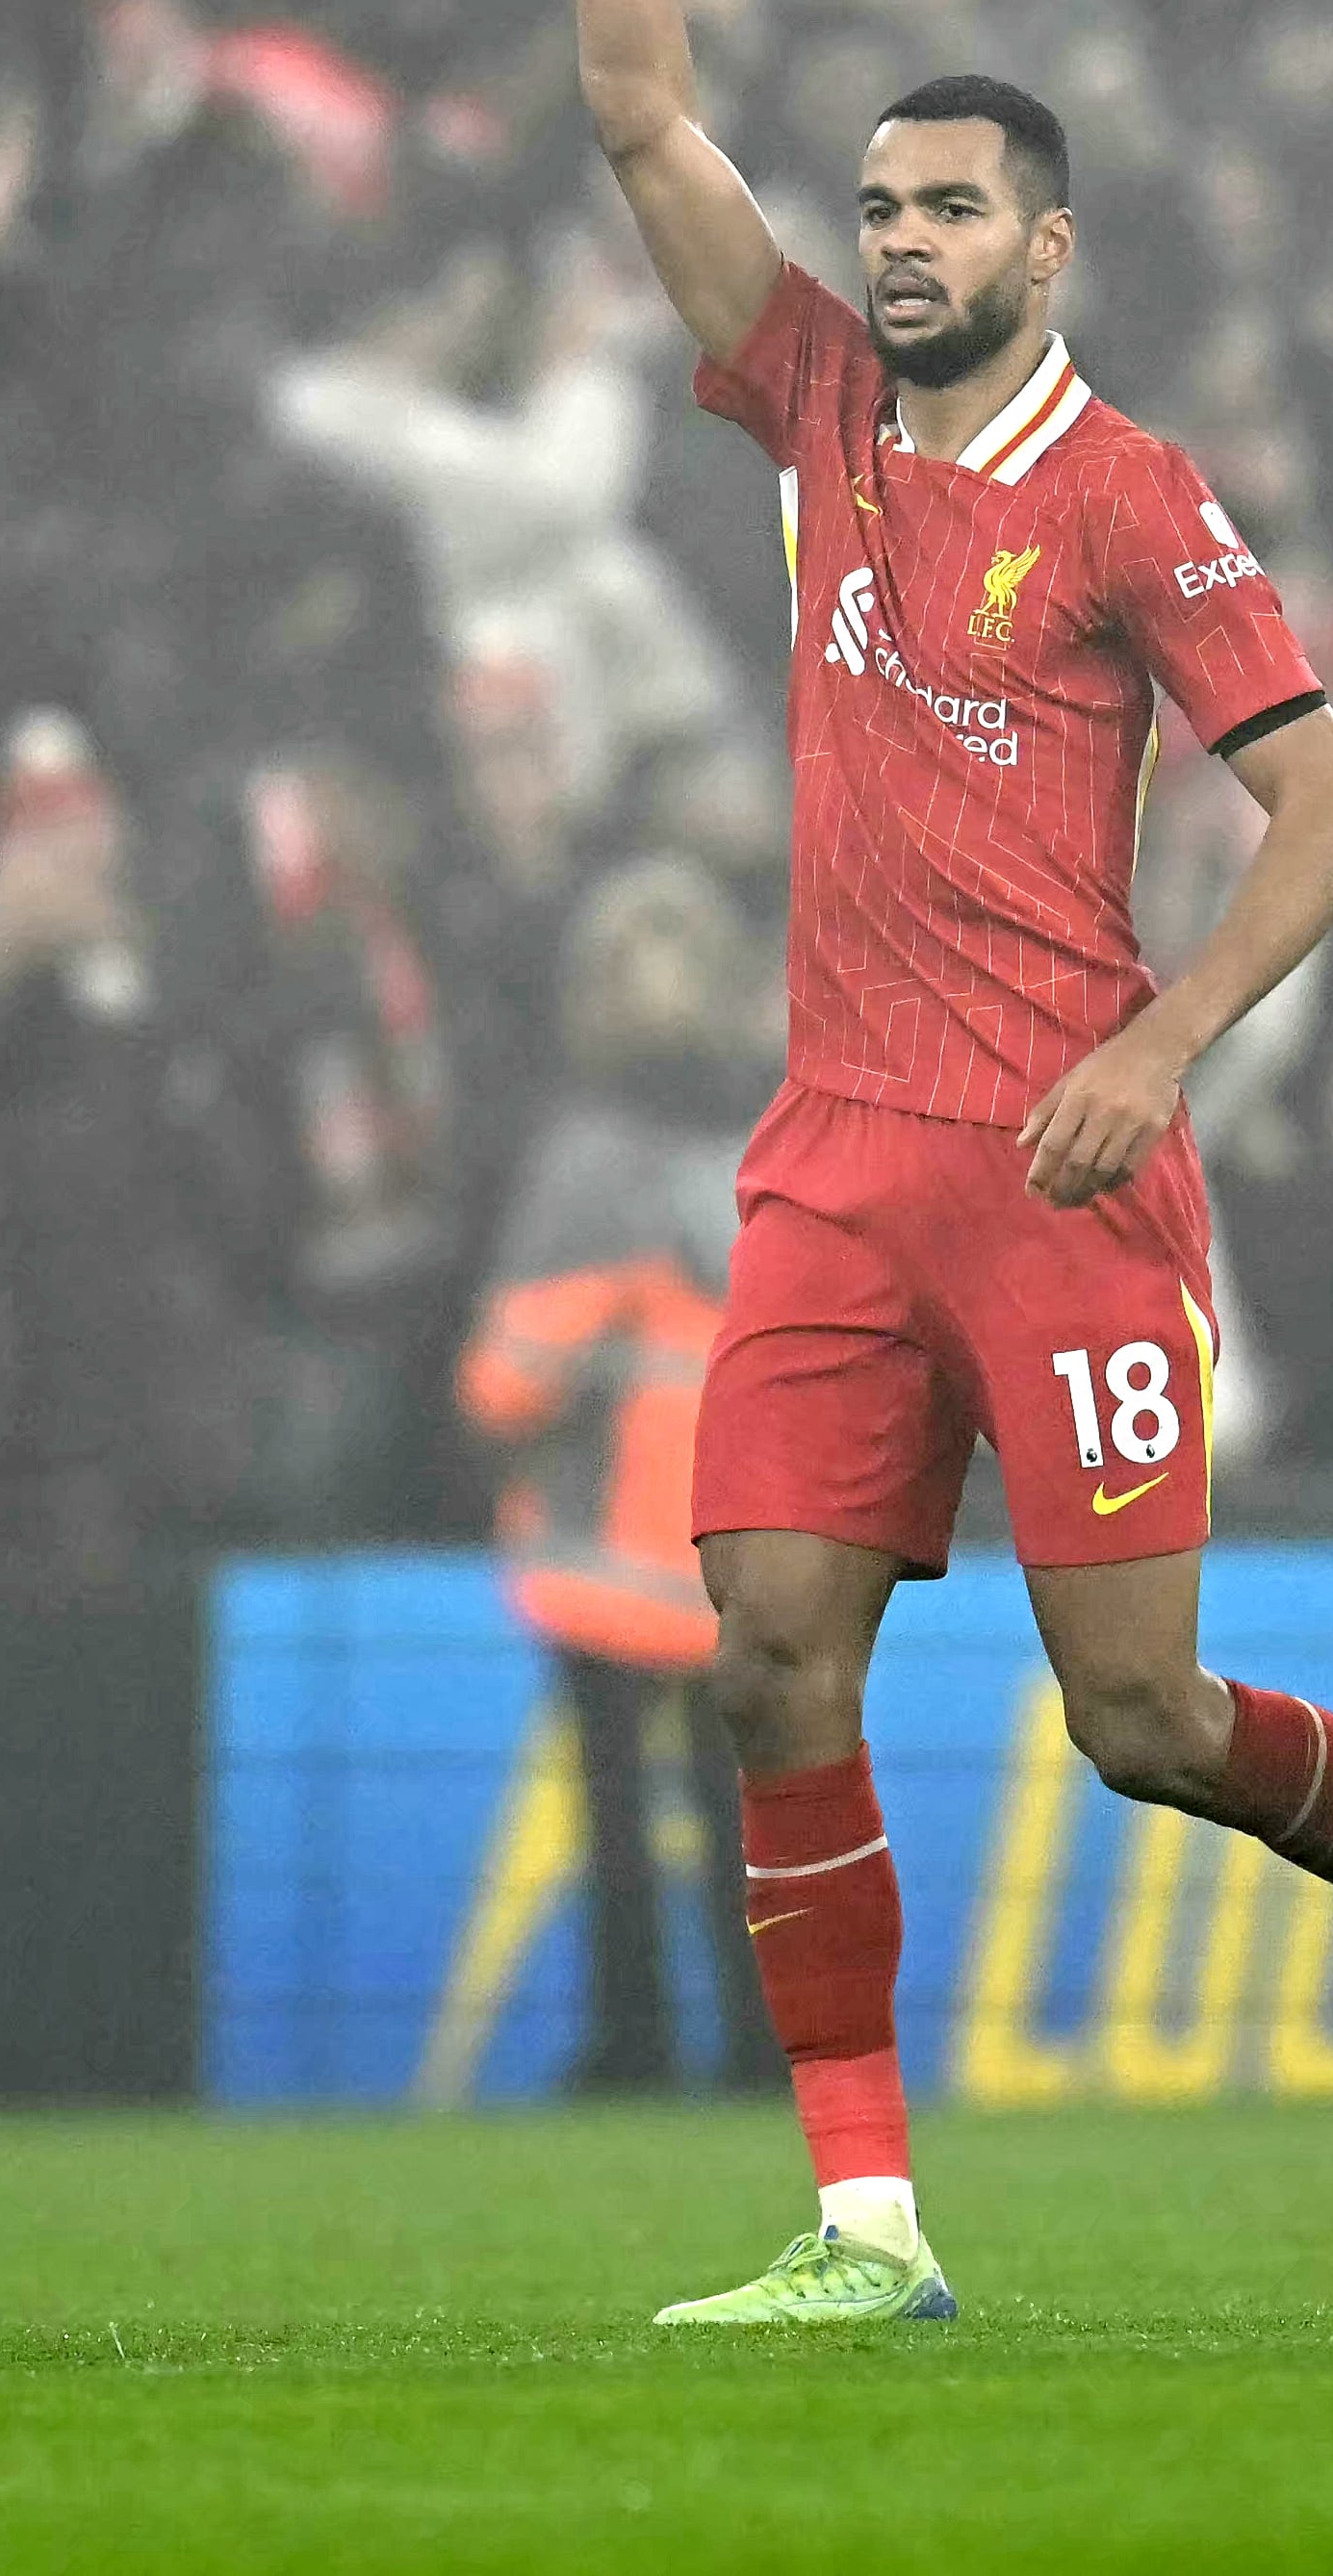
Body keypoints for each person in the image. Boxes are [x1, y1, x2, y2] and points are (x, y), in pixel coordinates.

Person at [539, 0, 1333, 2326]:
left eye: (951, 214)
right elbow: (634, 115)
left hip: (1063, 1169)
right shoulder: (807, 400)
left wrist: (1157, 1040)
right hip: (831, 1157)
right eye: (885, 208)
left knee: (1137, 1718)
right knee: (767, 1648)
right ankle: (863, 2222)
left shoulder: (1140, 497)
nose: (902, 245)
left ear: (1051, 246)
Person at [458, 856, 779, 2093]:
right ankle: (758, 2049)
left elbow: (504, 1384)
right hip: (739, 1555)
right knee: (748, 1820)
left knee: (615, 1827)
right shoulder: (771, 1143)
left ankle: (631, 2043)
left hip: (598, 1558)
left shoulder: (582, 1160)